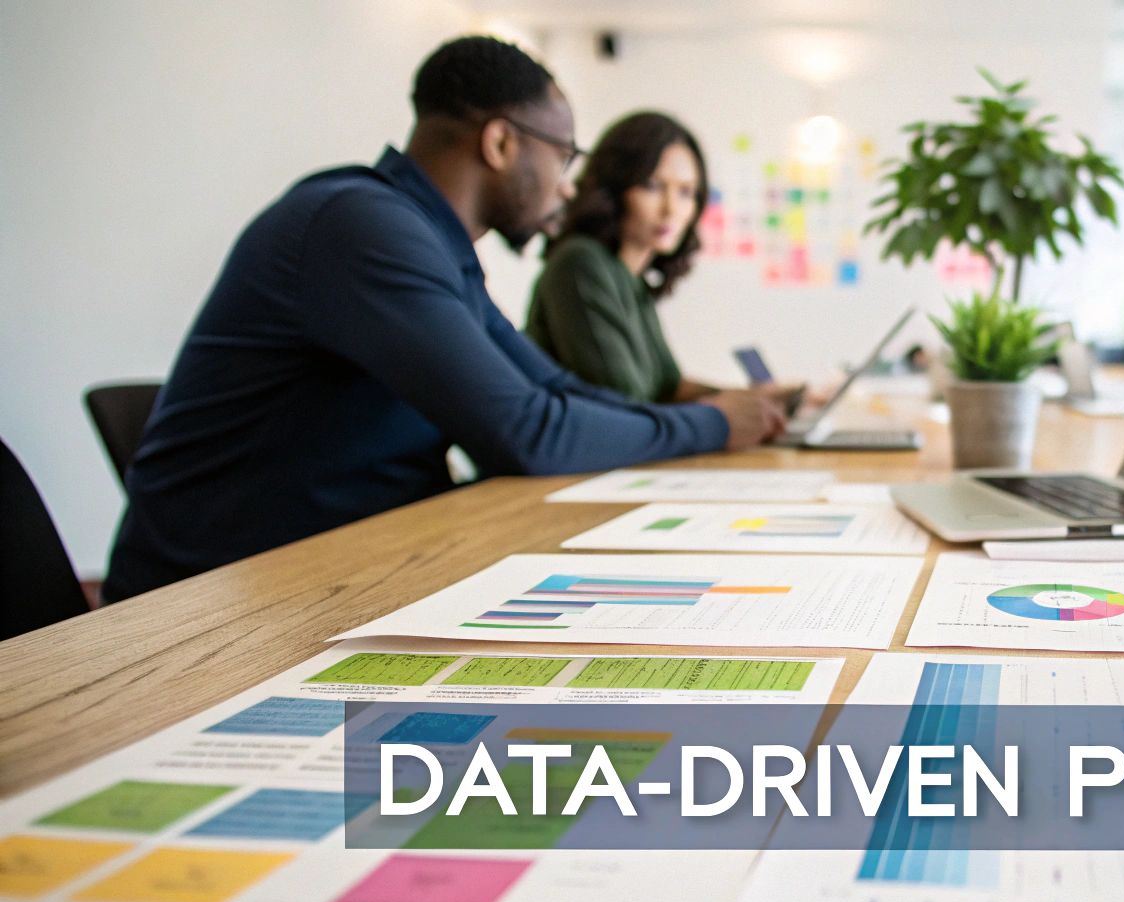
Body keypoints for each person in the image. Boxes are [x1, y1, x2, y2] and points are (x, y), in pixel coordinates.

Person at [103, 37, 786, 602]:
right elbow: (526, 433)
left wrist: (715, 419)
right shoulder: (362, 226)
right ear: (500, 144)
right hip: (222, 602)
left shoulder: (432, 248)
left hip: (342, 568)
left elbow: (554, 391)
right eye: (565, 155)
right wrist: (716, 423)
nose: (569, 184)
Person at [525, 112, 799, 407]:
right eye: (653, 186)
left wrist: (758, 399)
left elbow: (668, 387)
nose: (672, 209)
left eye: (686, 192)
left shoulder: (631, 279)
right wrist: (731, 414)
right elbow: (626, 402)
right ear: (615, 187)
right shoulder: (581, 263)